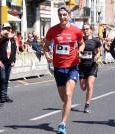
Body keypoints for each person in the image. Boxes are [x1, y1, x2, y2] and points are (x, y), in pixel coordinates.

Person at [43, 6, 85, 134]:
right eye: (60, 15)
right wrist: (47, 55)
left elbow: (82, 43)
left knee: (68, 94)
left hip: (72, 66)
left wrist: (80, 51)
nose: (62, 17)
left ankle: (62, 124)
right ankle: (67, 106)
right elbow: (45, 46)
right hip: (58, 68)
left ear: (68, 15)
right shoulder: (52, 30)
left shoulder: (76, 31)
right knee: (64, 99)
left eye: (64, 15)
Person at [79, 22, 101, 113]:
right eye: (83, 29)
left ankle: (87, 104)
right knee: (83, 87)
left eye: (87, 29)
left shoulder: (96, 41)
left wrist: (97, 56)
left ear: (91, 30)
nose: (85, 31)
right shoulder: (80, 40)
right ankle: (87, 97)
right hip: (82, 66)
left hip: (92, 65)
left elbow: (99, 51)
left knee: (90, 85)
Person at [0, 22, 17, 103]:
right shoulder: (1, 38)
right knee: (2, 78)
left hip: (9, 62)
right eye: (6, 28)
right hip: (1, 61)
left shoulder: (12, 39)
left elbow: (14, 50)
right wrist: (6, 36)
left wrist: (13, 60)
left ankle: (5, 95)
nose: (8, 30)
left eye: (9, 28)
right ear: (3, 29)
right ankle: (2, 96)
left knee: (6, 79)